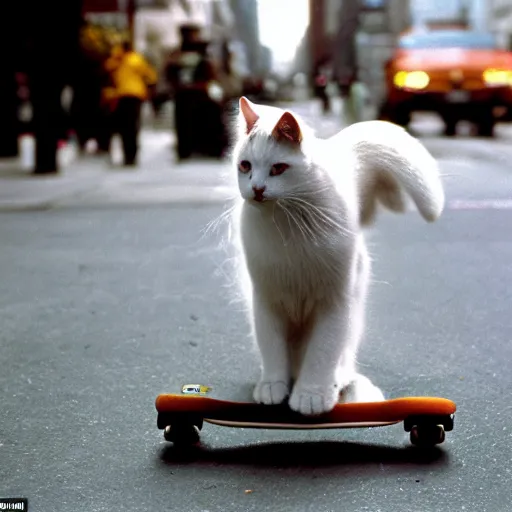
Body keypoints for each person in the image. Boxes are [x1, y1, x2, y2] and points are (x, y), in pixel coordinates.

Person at [104, 41, 157, 166]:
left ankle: (129, 156)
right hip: (133, 96)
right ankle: (131, 156)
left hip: (125, 95)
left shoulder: (122, 59)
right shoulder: (136, 59)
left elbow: (107, 67)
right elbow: (151, 77)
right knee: (131, 127)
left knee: (126, 127)